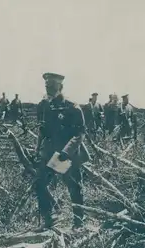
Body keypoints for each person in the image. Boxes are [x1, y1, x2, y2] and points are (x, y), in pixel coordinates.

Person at [34, 72, 90, 231]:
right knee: (39, 184)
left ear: (61, 87)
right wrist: (37, 150)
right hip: (49, 153)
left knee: (73, 187)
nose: (49, 89)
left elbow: (79, 134)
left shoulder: (72, 107)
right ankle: (48, 219)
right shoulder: (44, 106)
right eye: (47, 86)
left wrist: (66, 152)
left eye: (52, 86)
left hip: (66, 154)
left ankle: (79, 223)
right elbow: (42, 130)